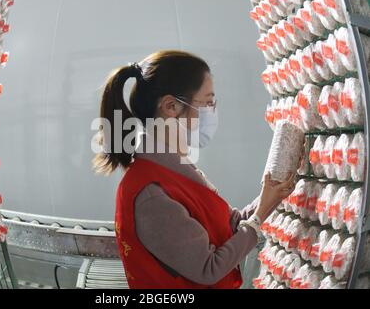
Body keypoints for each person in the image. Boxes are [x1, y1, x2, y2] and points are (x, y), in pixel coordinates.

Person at [93, 50, 296, 289]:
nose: (212, 111)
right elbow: (208, 268)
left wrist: (269, 194)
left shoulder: (176, 168)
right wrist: (260, 215)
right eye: (208, 102)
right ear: (171, 106)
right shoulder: (151, 193)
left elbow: (228, 226)